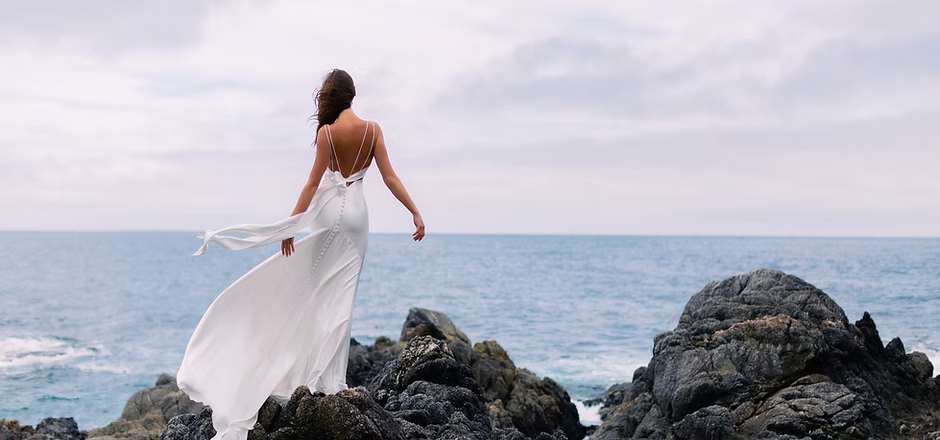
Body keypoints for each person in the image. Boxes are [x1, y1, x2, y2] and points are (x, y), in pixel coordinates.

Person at [176, 68, 424, 440]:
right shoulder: (373, 130)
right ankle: (331, 379)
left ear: (330, 98)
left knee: (314, 292)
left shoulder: (326, 133)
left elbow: (312, 183)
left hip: (326, 217)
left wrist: (290, 227)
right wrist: (415, 211)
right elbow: (389, 176)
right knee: (342, 298)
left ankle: (308, 370)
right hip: (357, 219)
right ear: (353, 96)